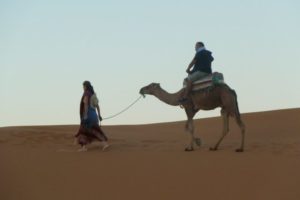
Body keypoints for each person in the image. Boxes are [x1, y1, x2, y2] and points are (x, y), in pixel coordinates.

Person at [75, 81, 109, 152]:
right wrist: (99, 115)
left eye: (83, 86)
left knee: (83, 131)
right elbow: (97, 106)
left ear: (86, 86)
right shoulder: (93, 95)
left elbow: (86, 104)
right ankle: (105, 144)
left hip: (88, 115)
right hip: (94, 116)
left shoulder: (86, 94)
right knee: (95, 131)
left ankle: (83, 148)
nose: (83, 88)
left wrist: (85, 115)